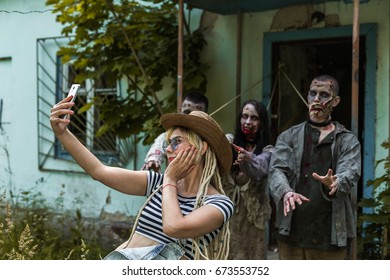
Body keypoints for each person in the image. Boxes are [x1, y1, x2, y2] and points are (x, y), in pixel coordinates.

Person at [50, 96, 233, 260]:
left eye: (177, 142)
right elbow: (99, 171)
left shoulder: (219, 203)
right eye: (169, 143)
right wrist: (62, 133)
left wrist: (169, 179)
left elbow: (174, 227)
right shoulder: (158, 183)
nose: (168, 149)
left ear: (201, 149)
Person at [267, 74, 361, 260]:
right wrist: (286, 192)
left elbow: (350, 172)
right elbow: (277, 170)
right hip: (292, 232)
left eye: (324, 95)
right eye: (313, 93)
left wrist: (334, 182)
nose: (317, 99)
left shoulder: (347, 140)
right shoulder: (289, 136)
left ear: (335, 101)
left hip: (330, 236)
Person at [224, 99, 273, 259]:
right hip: (227, 218)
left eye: (254, 118)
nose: (248, 122)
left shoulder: (268, 150)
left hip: (253, 221)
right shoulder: (229, 142)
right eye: (244, 116)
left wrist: (247, 159)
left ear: (262, 123)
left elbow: (260, 169)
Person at [142, 91, 209, 172]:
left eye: (197, 109)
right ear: (181, 110)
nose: (168, 149)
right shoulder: (168, 136)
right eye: (186, 110)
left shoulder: (210, 138)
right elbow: (159, 146)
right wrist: (153, 159)